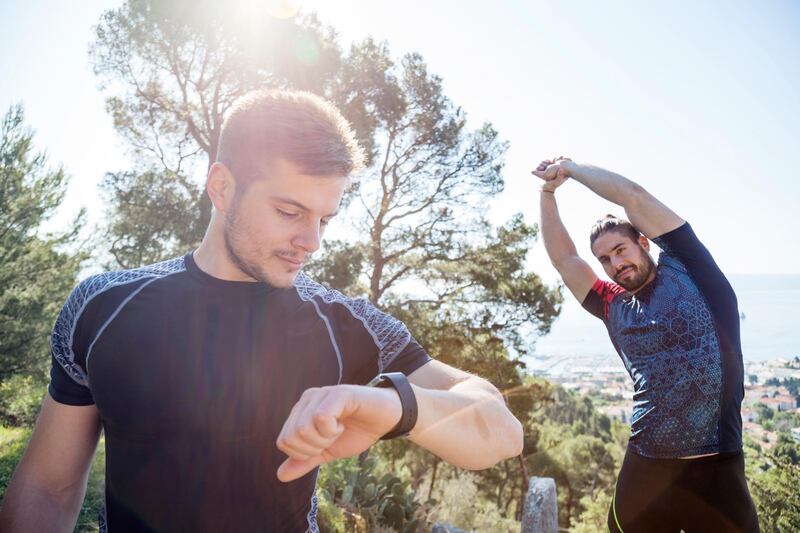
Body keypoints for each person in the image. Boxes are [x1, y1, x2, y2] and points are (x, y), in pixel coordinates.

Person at [0, 90, 523, 533]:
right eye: (289, 211)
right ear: (222, 186)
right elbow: (49, 487)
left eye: (325, 218)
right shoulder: (102, 306)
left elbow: (499, 431)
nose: (311, 241)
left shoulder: (345, 323)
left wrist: (388, 403)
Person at [533, 157, 759, 532]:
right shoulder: (611, 305)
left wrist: (570, 169)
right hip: (647, 466)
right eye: (605, 259)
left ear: (644, 242)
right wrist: (547, 193)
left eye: (621, 250)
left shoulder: (690, 269)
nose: (615, 263)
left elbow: (632, 197)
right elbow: (564, 259)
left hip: (718, 466)